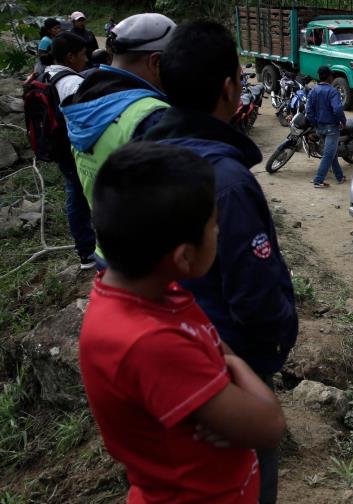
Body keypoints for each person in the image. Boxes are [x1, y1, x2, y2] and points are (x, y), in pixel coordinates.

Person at [142, 21, 298, 503]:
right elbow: (255, 294)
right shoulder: (226, 181)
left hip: (172, 358)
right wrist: (273, 344)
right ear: (230, 88)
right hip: (228, 365)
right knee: (244, 479)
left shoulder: (144, 151)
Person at [80, 141, 286, 503]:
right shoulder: (149, 343)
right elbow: (268, 425)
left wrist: (222, 381)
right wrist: (234, 365)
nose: (219, 233)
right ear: (184, 256)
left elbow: (207, 344)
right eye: (213, 226)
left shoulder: (154, 290)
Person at [62, 12, 174, 267]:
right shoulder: (151, 116)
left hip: (107, 250)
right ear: (156, 62)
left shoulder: (84, 98)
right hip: (149, 263)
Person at [45, 32, 96, 269]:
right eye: (83, 54)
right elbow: (87, 119)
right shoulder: (71, 83)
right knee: (84, 197)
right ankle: (88, 251)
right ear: (70, 56)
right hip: (74, 149)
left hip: (59, 148)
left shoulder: (47, 73)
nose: (86, 59)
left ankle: (85, 249)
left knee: (75, 196)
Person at [304, 65, 346, 188]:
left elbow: (309, 110)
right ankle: (318, 180)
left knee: (331, 152)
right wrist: (343, 121)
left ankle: (339, 176)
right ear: (328, 77)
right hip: (332, 128)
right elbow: (338, 109)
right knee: (328, 154)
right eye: (331, 75)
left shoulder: (313, 91)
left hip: (320, 128)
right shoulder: (332, 91)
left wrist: (315, 123)